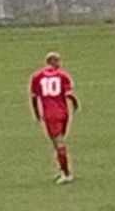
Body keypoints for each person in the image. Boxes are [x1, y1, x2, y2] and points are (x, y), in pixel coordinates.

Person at [29, 52, 79, 184]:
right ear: (54, 62)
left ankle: (67, 174)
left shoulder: (37, 76)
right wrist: (75, 105)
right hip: (64, 113)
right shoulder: (63, 75)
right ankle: (62, 170)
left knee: (58, 143)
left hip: (50, 114)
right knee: (60, 141)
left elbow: (34, 97)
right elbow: (70, 95)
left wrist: (36, 113)